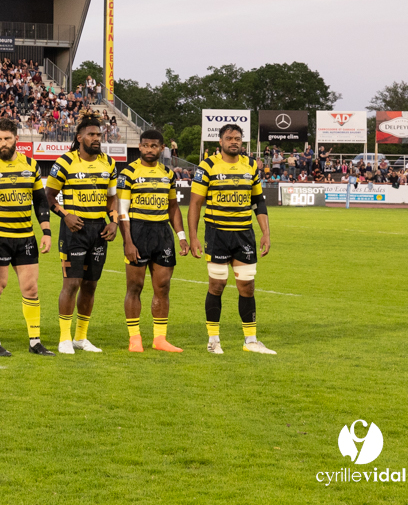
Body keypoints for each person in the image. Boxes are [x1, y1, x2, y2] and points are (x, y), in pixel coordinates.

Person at [187, 123, 275, 355]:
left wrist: (265, 232)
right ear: (221, 142)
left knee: (247, 286)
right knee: (217, 285)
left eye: (237, 138)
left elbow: (259, 202)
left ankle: (251, 341)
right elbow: (195, 203)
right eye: (229, 138)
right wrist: (193, 237)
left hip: (244, 234)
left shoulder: (251, 166)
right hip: (217, 234)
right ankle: (213, 339)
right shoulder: (207, 166)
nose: (234, 142)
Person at [46, 117, 118, 354]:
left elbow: (112, 197)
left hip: (98, 230)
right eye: (91, 135)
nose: (96, 138)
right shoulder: (65, 162)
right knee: (72, 283)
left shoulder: (108, 162)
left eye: (98, 135)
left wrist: (114, 221)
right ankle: (64, 338)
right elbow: (48, 196)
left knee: (90, 285)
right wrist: (65, 215)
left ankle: (80, 337)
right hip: (73, 230)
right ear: (79, 138)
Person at [118, 129, 187, 353]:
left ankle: (159, 339)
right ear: (139, 147)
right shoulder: (128, 173)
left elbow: (173, 207)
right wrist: (128, 241)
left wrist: (181, 236)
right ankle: (134, 338)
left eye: (154, 146)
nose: (149, 150)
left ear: (162, 148)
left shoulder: (168, 174)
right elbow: (122, 211)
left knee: (163, 287)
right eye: (145, 145)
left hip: (162, 233)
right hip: (137, 231)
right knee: (135, 286)